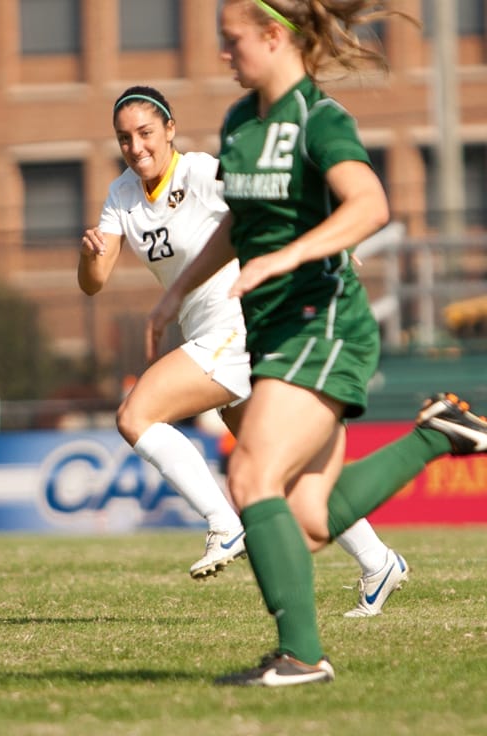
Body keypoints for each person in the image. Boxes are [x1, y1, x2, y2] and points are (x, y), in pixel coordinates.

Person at [147, 0, 487, 686]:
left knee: (249, 477)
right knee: (303, 518)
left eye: (231, 40)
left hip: (324, 319)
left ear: (274, 37)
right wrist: (180, 288)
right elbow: (239, 224)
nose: (223, 54)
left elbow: (370, 204)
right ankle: (437, 433)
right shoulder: (241, 123)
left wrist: (285, 257)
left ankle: (301, 657)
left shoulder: (318, 120)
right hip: (274, 328)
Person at [78, 84, 409, 618]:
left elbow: (276, 200)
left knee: (135, 415)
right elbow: (94, 283)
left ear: (169, 129)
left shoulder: (204, 171)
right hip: (205, 329)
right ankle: (378, 561)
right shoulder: (121, 194)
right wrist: (90, 254)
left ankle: (223, 521)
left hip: (239, 321)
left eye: (145, 133)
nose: (136, 147)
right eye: (124, 139)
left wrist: (333, 241)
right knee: (288, 467)